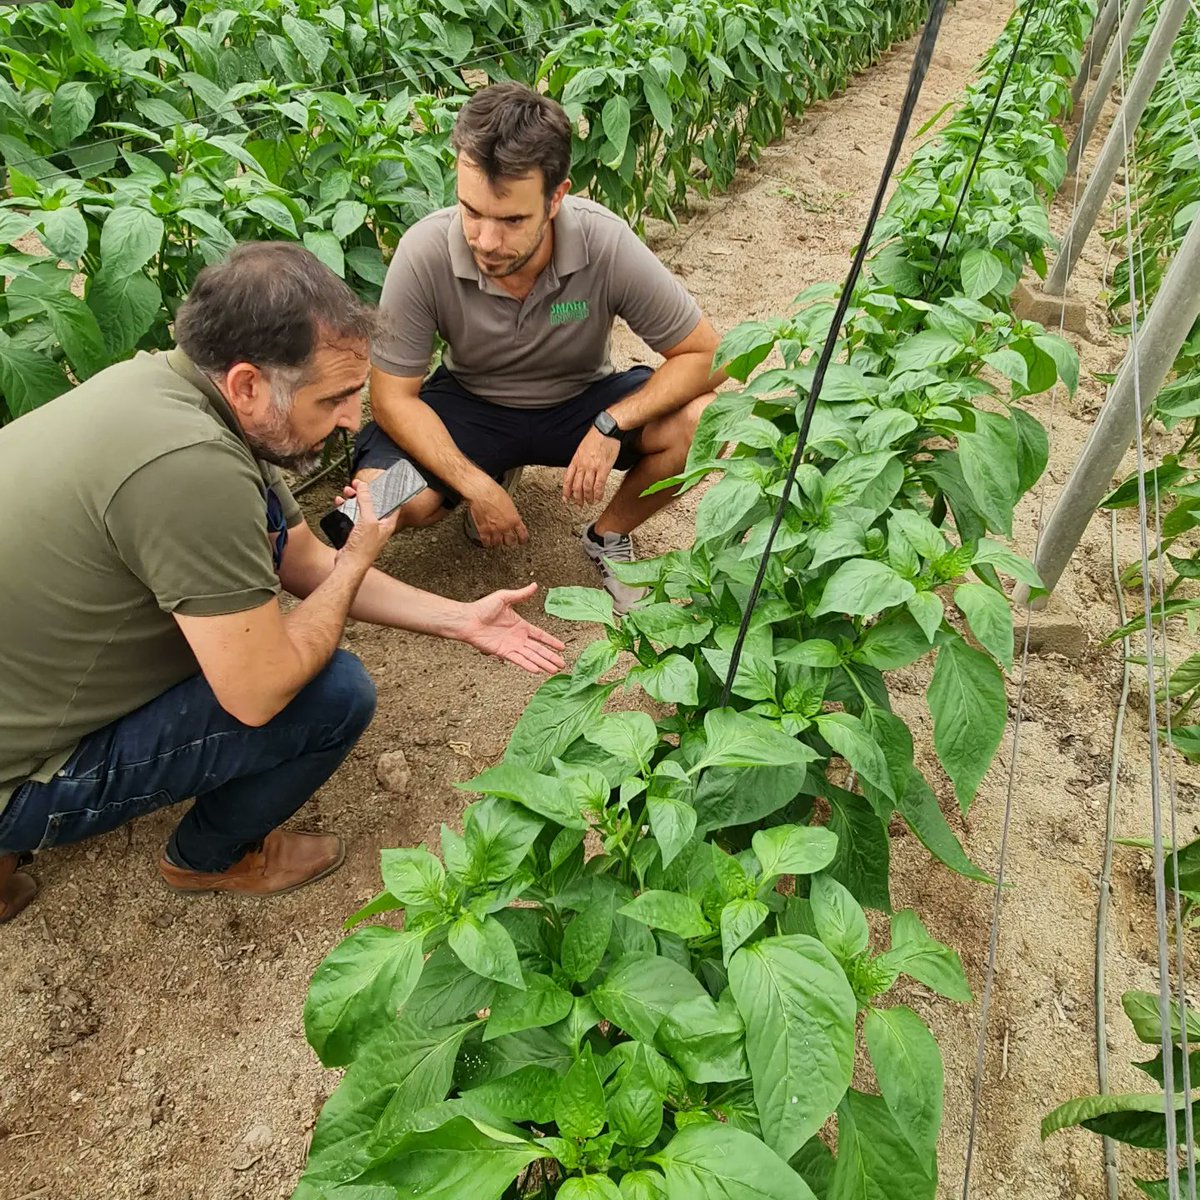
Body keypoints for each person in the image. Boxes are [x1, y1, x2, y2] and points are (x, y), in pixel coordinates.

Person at [0, 242, 566, 925]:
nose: (354, 420)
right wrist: (358, 557)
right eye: (334, 398)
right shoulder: (193, 470)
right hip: (16, 772)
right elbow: (259, 690)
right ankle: (208, 858)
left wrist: (460, 618)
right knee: (330, 695)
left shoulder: (172, 390)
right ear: (246, 383)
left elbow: (298, 556)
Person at [354, 82, 724, 613]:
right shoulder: (425, 251)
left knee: (705, 423)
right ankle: (489, 472)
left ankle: (607, 536)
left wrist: (612, 423)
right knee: (385, 497)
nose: (483, 239)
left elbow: (707, 354)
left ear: (556, 197)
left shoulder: (604, 242)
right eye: (471, 211)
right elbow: (392, 398)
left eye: (511, 221)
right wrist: (476, 487)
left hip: (581, 402)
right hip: (471, 407)